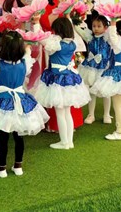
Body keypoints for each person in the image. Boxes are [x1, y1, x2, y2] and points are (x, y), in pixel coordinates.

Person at [0, 30, 49, 178]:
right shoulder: (25, 62)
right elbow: (27, 51)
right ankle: (18, 166)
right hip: (21, 102)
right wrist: (27, 44)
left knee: (4, 136)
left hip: (3, 103)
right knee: (19, 136)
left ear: (3, 48)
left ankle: (2, 168)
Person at [35, 0, 84, 131]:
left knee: (67, 82)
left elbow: (67, 24)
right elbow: (46, 24)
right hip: (51, 45)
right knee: (53, 85)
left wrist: (67, 9)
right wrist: (59, 7)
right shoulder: (43, 3)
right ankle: (54, 124)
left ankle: (70, 123)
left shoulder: (64, 1)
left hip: (65, 47)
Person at [33, 16, 90, 149]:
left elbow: (40, 38)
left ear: (58, 30)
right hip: (69, 78)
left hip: (57, 79)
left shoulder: (56, 43)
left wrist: (36, 23)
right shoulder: (72, 43)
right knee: (67, 113)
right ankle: (69, 141)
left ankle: (64, 142)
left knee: (60, 113)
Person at [79, 15, 113, 125]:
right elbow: (78, 29)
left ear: (105, 27)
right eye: (94, 26)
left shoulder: (107, 37)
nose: (96, 28)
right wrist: (75, 18)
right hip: (91, 67)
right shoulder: (90, 37)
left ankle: (106, 114)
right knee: (91, 91)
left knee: (106, 92)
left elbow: (113, 32)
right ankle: (91, 114)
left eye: (99, 26)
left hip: (104, 68)